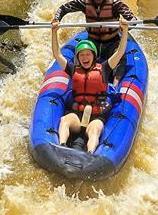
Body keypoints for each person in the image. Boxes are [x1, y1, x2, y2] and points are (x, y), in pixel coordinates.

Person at [51, 18, 129, 153]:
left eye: (88, 54)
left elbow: (120, 52)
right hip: (77, 114)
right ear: (78, 57)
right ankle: (62, 146)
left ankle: (90, 154)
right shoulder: (73, 69)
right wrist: (54, 32)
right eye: (82, 55)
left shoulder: (104, 69)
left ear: (93, 56)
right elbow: (57, 54)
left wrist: (125, 30)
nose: (85, 57)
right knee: (64, 120)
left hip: (97, 115)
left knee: (95, 130)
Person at [52, 0, 138, 66]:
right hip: (92, 42)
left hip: (112, 42)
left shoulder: (114, 3)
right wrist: (57, 19)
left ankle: (116, 81)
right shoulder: (84, 2)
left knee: (120, 61)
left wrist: (125, 27)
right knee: (80, 60)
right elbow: (63, 8)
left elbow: (133, 20)